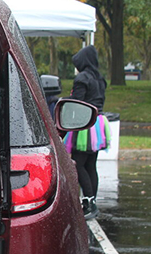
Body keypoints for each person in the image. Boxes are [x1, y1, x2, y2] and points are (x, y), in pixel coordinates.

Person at [64, 45, 110, 219]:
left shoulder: (83, 78)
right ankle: (92, 201)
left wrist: (62, 101)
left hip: (85, 123)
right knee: (91, 164)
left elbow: (77, 101)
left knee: (79, 163)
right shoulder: (99, 78)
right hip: (98, 123)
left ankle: (88, 202)